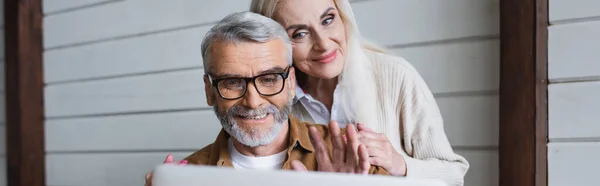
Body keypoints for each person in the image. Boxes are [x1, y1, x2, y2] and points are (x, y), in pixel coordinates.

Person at [144, 11, 390, 186]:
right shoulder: (186, 178)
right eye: (232, 82)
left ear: (291, 83)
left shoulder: (351, 157)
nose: (253, 102)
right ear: (209, 91)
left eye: (269, 79)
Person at [249, 0, 469, 185]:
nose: (324, 44)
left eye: (328, 20)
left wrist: (399, 165)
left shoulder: (396, 76)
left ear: (343, 16)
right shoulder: (268, 102)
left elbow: (454, 176)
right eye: (300, 33)